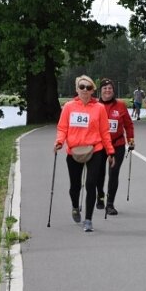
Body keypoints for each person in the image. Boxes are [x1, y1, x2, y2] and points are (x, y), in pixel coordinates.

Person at [54, 75, 115, 233]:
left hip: (95, 149)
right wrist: (59, 142)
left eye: (89, 88)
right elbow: (62, 128)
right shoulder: (68, 107)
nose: (85, 90)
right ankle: (75, 206)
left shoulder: (99, 108)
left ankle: (88, 219)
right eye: (82, 87)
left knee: (91, 184)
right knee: (75, 186)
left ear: (93, 90)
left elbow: (104, 131)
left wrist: (110, 151)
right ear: (77, 89)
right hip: (74, 150)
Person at [95, 78, 135, 215]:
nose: (107, 91)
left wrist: (131, 139)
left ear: (113, 90)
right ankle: (100, 195)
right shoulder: (94, 105)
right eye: (105, 88)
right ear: (100, 91)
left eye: (110, 88)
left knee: (114, 173)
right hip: (99, 145)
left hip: (117, 144)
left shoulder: (121, 106)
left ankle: (110, 203)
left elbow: (129, 124)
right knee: (99, 173)